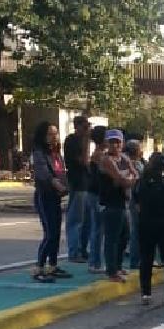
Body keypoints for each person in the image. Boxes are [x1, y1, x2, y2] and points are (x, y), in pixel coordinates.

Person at [133, 152, 164, 306]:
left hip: (146, 224)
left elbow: (136, 203)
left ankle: (145, 294)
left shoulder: (140, 183)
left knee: (146, 259)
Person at [30, 122, 72, 282]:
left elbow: (61, 172)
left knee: (56, 233)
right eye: (50, 134)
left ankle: (52, 266)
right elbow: (44, 174)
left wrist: (66, 186)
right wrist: (57, 184)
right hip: (44, 195)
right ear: (43, 136)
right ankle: (39, 267)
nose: (54, 137)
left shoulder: (56, 153)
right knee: (50, 233)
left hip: (56, 196)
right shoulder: (39, 153)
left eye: (56, 133)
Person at [99, 129, 138, 283]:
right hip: (110, 203)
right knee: (112, 239)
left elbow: (135, 175)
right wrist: (125, 179)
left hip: (123, 203)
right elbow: (121, 180)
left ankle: (118, 265)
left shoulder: (124, 158)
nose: (115, 145)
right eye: (112, 142)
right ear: (107, 143)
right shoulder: (107, 160)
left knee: (124, 236)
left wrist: (126, 179)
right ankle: (111, 271)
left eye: (118, 142)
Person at [63, 115, 92, 263]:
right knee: (76, 220)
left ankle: (83, 249)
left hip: (86, 184)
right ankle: (74, 252)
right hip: (77, 183)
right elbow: (84, 161)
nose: (87, 129)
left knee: (87, 221)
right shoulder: (71, 141)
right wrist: (86, 140)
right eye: (84, 126)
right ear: (77, 126)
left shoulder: (83, 141)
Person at [86, 126, 108, 274]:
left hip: (95, 193)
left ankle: (95, 261)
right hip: (96, 194)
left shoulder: (99, 154)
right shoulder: (99, 155)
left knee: (98, 228)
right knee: (98, 229)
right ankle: (95, 262)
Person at [125, 139, 144, 269]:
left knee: (136, 231)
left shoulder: (136, 163)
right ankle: (135, 261)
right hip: (135, 201)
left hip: (135, 201)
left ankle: (136, 259)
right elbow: (137, 184)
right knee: (136, 231)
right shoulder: (134, 165)